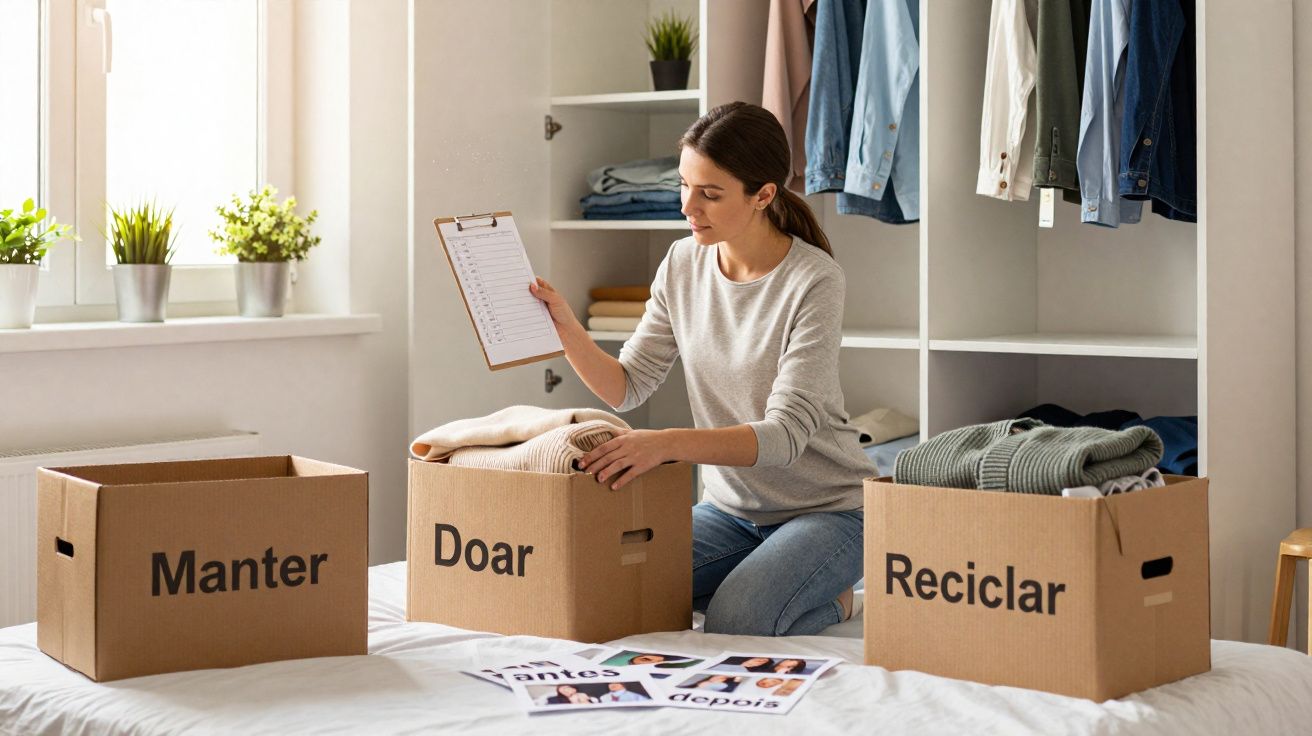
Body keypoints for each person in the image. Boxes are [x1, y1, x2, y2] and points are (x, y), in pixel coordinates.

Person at [529, 100, 870, 638]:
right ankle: (765, 575)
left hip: (829, 511)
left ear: (763, 195)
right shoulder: (682, 262)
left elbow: (782, 439)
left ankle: (842, 601)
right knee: (603, 581)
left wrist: (664, 444)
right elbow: (627, 386)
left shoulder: (814, 280)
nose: (690, 206)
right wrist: (564, 326)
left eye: (710, 194)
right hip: (731, 511)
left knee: (735, 618)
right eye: (684, 186)